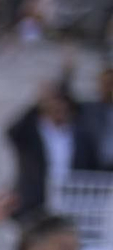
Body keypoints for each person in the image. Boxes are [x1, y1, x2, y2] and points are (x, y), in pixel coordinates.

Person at [6, 80, 99, 220]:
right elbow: (12, 131)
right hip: (34, 199)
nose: (59, 113)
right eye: (54, 109)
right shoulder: (32, 132)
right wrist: (37, 102)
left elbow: (92, 165)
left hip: (70, 199)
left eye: (63, 109)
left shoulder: (80, 135)